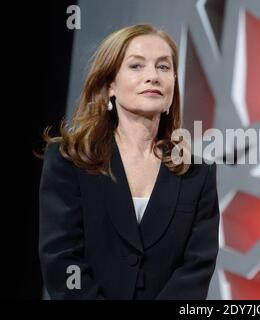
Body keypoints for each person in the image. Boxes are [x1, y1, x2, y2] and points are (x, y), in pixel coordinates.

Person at [38, 24, 219, 299]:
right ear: (111, 85)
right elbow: (62, 259)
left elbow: (195, 270)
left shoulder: (197, 174)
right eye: (136, 66)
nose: (153, 77)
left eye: (163, 67)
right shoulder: (70, 159)